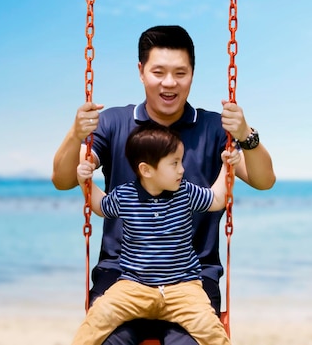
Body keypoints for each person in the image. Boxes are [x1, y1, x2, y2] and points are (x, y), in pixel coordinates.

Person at [52, 25, 276, 345]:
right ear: (141, 72)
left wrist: (246, 136)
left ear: (192, 75)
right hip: (121, 276)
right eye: (158, 72)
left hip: (192, 279)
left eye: (180, 73)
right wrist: (76, 135)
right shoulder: (114, 122)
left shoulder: (214, 127)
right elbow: (62, 181)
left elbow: (264, 181)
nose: (169, 83)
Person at [72, 123, 240, 345]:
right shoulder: (125, 195)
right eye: (175, 163)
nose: (182, 169)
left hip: (184, 287)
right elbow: (101, 206)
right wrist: (85, 180)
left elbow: (217, 199)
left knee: (210, 328)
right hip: (134, 287)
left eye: (181, 162)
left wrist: (228, 167)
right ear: (146, 170)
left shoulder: (185, 192)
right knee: (97, 318)